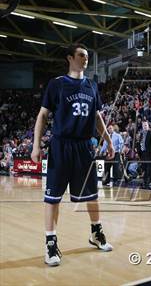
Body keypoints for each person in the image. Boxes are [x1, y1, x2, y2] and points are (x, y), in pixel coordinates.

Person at [31, 44, 114, 267]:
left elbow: (97, 117)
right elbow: (42, 116)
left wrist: (107, 141)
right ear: (70, 58)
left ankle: (96, 233)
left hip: (84, 147)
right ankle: (50, 242)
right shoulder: (57, 84)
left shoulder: (92, 86)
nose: (85, 58)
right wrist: (35, 146)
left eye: (87, 55)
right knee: (53, 197)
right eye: (81, 55)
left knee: (92, 195)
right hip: (61, 145)